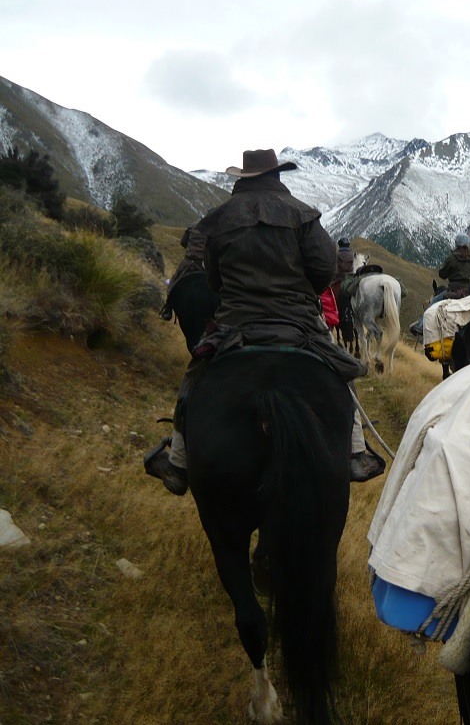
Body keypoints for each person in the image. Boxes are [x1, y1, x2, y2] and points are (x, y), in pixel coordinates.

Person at [144, 148, 384, 492]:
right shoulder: (302, 214)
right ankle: (356, 451)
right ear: (276, 176)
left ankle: (179, 462)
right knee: (341, 374)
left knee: (193, 380)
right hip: (300, 321)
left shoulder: (218, 218)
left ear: (244, 179)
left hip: (234, 323)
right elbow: (324, 270)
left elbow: (213, 279)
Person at [409, 233, 470, 338]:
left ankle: (420, 325)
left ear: (456, 244)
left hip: (454, 291)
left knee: (434, 302)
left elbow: (442, 274)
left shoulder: (453, 257)